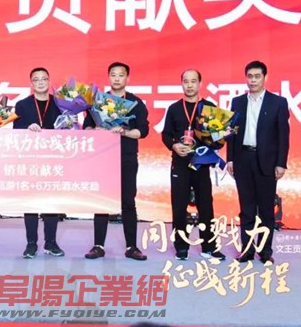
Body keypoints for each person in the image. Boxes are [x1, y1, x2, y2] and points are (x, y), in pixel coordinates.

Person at [84, 62, 150, 261]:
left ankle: (132, 247)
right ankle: (98, 246)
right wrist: (97, 131)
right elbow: (87, 127)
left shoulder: (136, 103)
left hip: (127, 156)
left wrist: (124, 132)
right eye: (113, 75)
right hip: (103, 158)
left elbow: (143, 131)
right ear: (109, 77)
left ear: (127, 78)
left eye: (121, 75)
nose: (117, 78)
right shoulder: (98, 101)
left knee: (128, 201)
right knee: (102, 202)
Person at [226, 61, 290, 264]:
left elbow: (283, 136)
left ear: (265, 78)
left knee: (265, 210)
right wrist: (230, 159)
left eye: (257, 76)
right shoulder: (237, 102)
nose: (253, 80)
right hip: (242, 159)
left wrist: (281, 163)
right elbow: (231, 133)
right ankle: (246, 250)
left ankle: (265, 251)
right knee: (246, 209)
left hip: (267, 161)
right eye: (250, 76)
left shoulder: (277, 102)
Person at [162, 69, 226, 261]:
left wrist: (217, 140)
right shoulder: (174, 108)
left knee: (206, 205)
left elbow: (218, 138)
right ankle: (181, 247)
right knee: (179, 205)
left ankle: (209, 247)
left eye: (193, 81)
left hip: (201, 164)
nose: (189, 85)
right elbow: (166, 134)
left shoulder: (209, 108)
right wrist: (174, 146)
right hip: (180, 163)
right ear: (181, 83)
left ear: (200, 83)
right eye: (186, 81)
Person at [13, 67, 65, 259]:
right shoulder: (22, 105)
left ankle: (51, 243)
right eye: (36, 79)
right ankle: (31, 243)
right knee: (31, 201)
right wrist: (27, 127)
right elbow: (16, 130)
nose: (41, 82)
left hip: (54, 159)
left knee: (52, 201)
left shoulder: (60, 104)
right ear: (31, 83)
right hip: (31, 159)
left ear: (49, 81)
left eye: (44, 79)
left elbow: (68, 128)